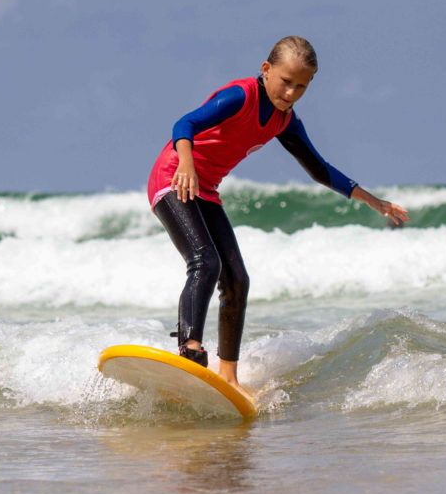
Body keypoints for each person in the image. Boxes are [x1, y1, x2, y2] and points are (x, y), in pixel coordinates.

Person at [148, 36, 409, 395]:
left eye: (300, 87)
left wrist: (372, 200)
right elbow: (184, 124)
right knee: (205, 261)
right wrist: (188, 166)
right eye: (286, 82)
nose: (290, 93)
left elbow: (318, 168)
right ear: (266, 70)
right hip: (174, 177)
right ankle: (190, 349)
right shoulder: (240, 96)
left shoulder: (284, 121)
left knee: (237, 279)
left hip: (205, 189)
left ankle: (228, 377)